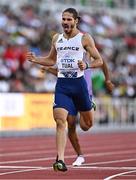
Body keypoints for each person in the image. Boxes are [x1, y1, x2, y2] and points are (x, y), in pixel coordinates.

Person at [27, 8, 104, 172]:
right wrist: (36, 60)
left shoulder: (84, 38)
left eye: (69, 19)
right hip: (62, 85)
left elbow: (99, 60)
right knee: (61, 121)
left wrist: (87, 65)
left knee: (86, 125)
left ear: (76, 21)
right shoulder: (57, 38)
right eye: (64, 19)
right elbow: (50, 60)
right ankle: (60, 160)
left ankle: (90, 105)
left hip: (79, 85)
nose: (66, 22)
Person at [40, 59, 114, 166]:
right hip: (69, 94)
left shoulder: (86, 49)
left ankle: (91, 106)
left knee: (85, 126)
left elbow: (102, 62)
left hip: (84, 94)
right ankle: (79, 155)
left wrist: (107, 80)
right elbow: (61, 74)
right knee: (70, 124)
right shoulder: (66, 54)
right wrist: (48, 69)